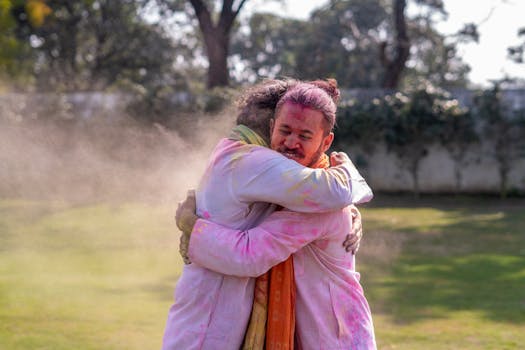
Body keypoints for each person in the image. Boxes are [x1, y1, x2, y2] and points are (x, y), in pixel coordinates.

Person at [162, 79, 372, 349]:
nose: (290, 143)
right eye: (285, 129)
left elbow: (332, 194)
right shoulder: (253, 161)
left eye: (304, 135)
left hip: (334, 338)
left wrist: (193, 228)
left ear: (325, 141)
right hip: (209, 318)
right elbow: (327, 193)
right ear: (270, 125)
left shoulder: (258, 166)